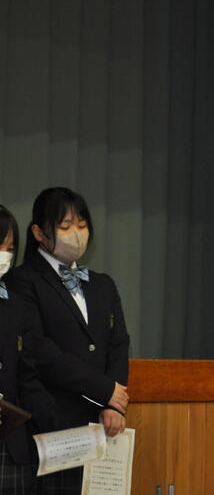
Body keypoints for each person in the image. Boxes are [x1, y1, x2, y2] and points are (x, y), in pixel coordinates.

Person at [7, 188, 130, 494]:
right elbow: (38, 349)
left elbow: (118, 344)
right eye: (65, 226)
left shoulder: (103, 284)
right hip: (50, 425)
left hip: (101, 424)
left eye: (82, 225)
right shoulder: (22, 281)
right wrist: (104, 389)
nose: (76, 234)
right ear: (39, 232)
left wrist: (113, 404)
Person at [0, 204, 58, 495]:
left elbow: (27, 375)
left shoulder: (15, 305)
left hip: (8, 445)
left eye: (10, 248)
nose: (5, 255)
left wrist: (58, 423)